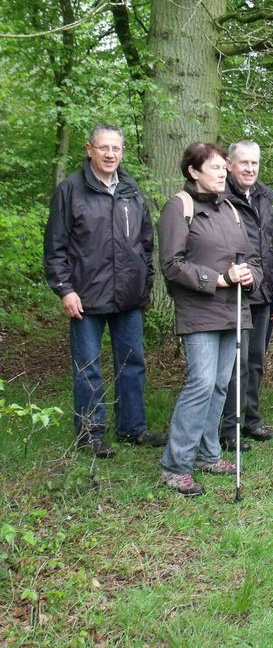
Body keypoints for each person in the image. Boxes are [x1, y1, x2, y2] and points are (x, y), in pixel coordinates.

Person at [44, 123, 165, 458]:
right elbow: (55, 247)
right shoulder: (71, 190)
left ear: (122, 151)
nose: (111, 154)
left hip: (128, 296)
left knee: (132, 363)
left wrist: (146, 282)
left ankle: (133, 428)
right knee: (88, 367)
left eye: (116, 148)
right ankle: (90, 434)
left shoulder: (130, 189)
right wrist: (65, 289)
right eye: (104, 148)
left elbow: (145, 242)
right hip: (85, 296)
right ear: (89, 149)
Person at [158, 143, 261, 496]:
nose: (222, 173)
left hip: (233, 310)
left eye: (223, 168)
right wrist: (216, 279)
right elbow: (171, 265)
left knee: (220, 384)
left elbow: (251, 257)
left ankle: (208, 453)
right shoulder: (178, 207)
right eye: (215, 168)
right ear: (193, 172)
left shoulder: (231, 209)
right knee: (200, 383)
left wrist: (250, 277)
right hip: (199, 311)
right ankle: (175, 465)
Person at [220, 140, 273, 451]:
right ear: (230, 165)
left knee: (256, 359)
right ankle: (230, 426)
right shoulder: (221, 198)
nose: (250, 169)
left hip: (262, 292)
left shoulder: (263, 197)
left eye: (254, 163)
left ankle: (252, 418)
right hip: (234, 292)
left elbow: (267, 247)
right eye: (243, 163)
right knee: (236, 362)